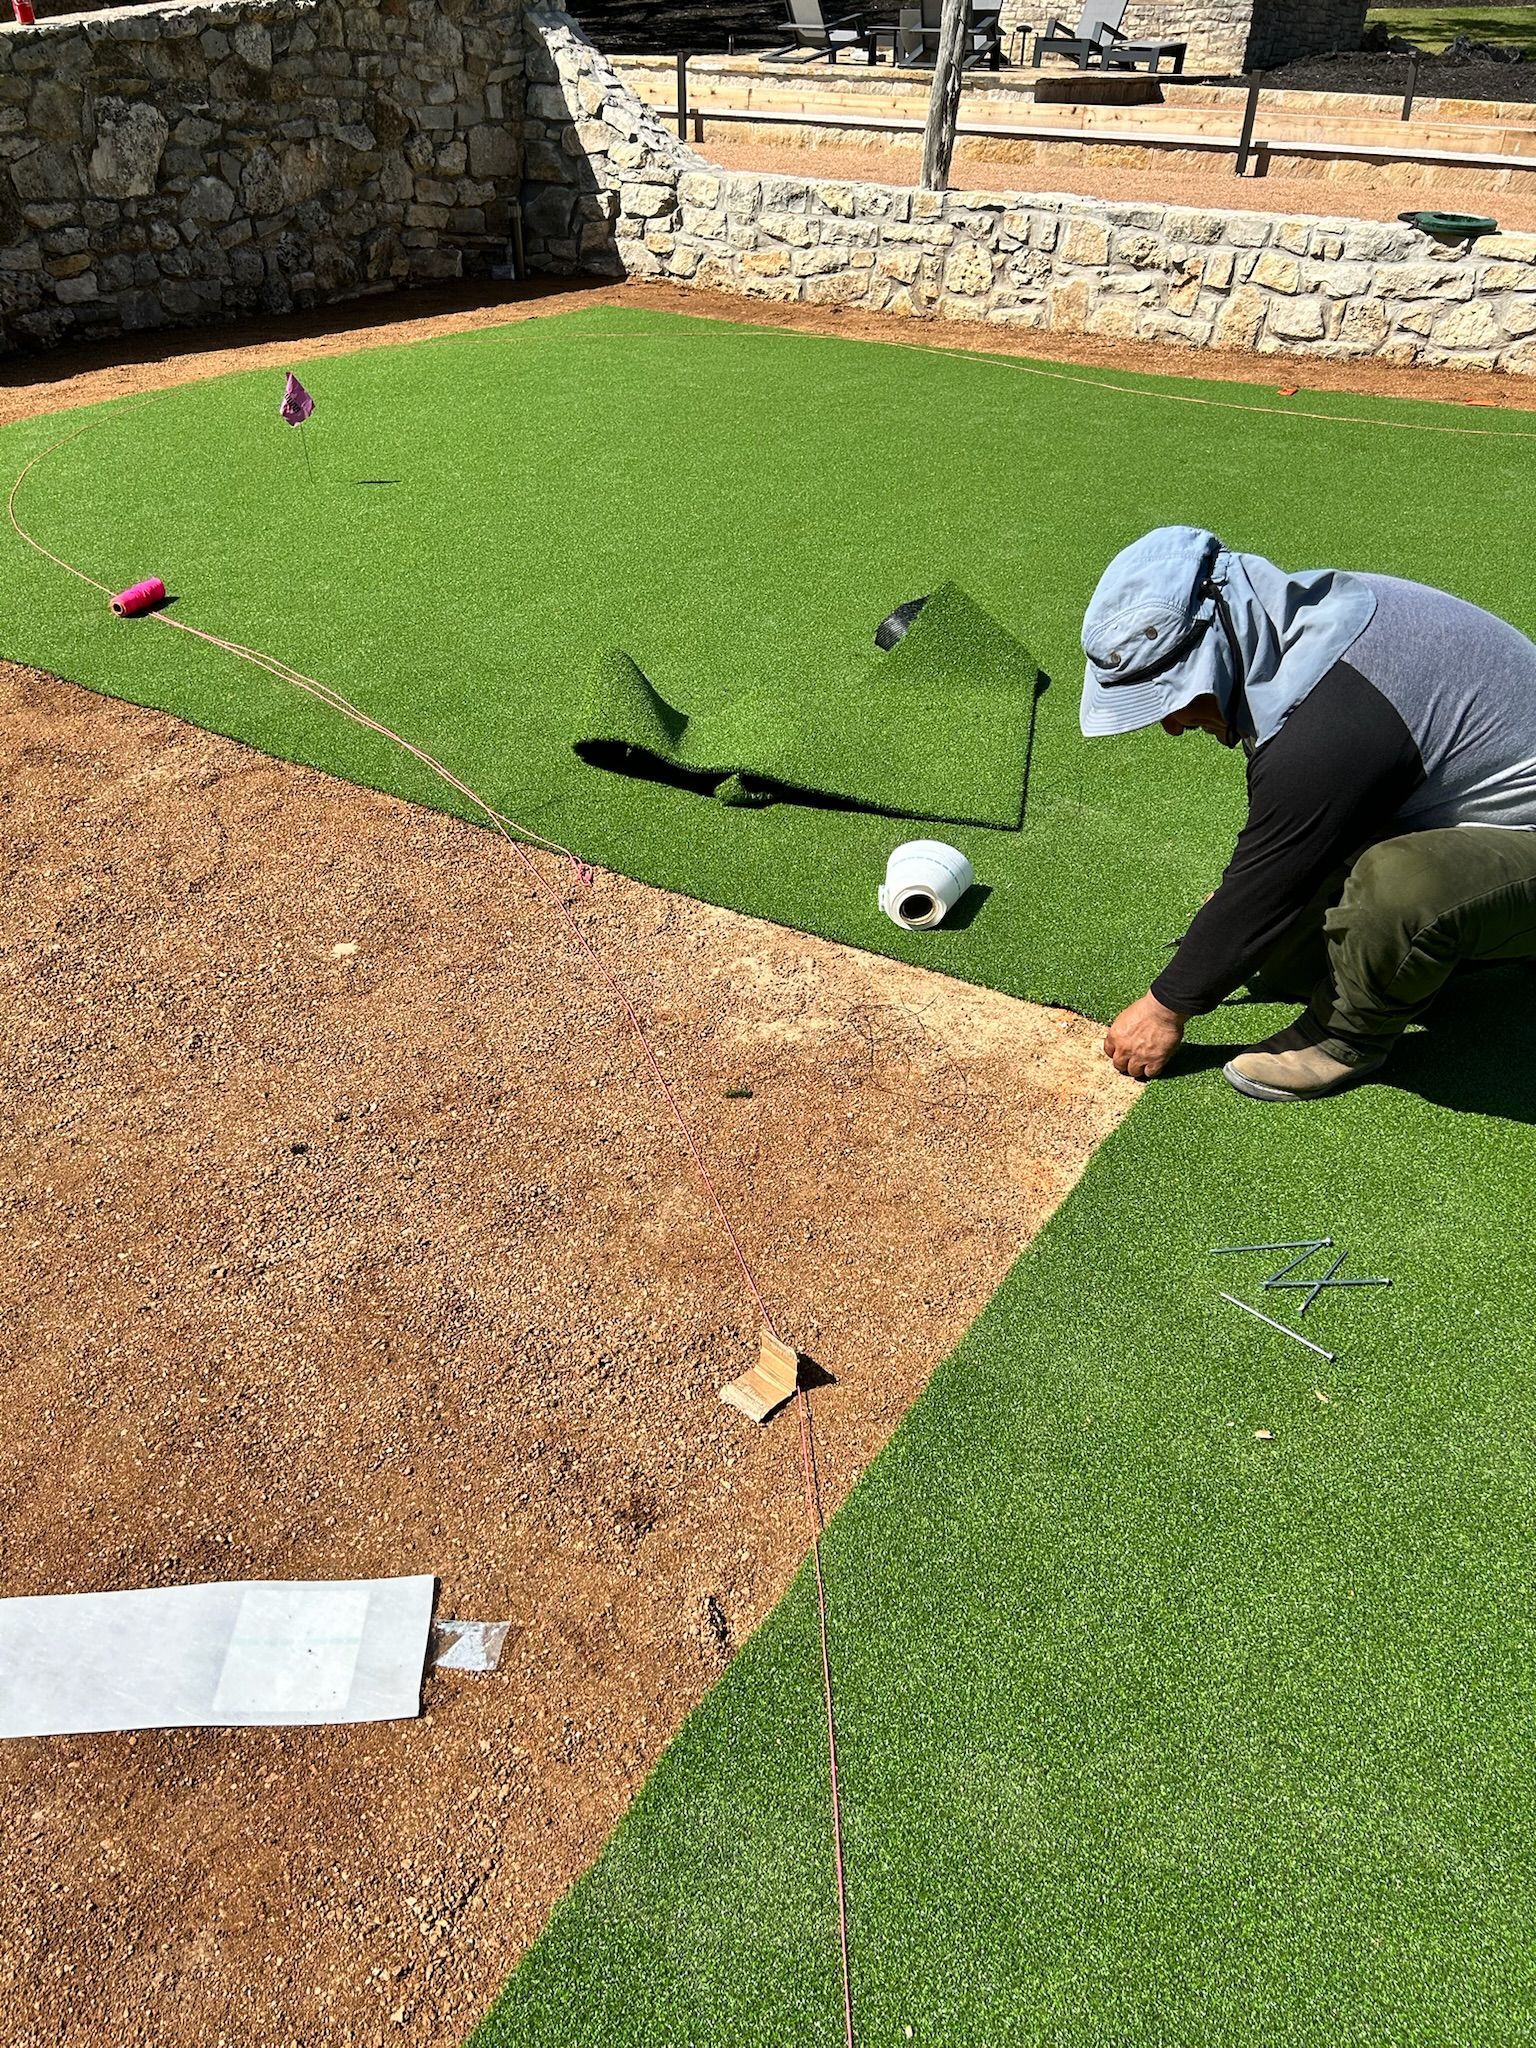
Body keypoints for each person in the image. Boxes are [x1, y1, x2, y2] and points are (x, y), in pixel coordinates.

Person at [1078, 525, 1536, 1101]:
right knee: (1293, 958)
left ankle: (1345, 1041)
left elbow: (1278, 867)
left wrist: (1165, 1008)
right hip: (1477, 816)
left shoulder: (1329, 724)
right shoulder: (1297, 629)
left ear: (1215, 647)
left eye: (1170, 696)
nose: (1170, 723)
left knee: (1400, 885)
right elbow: (1300, 829)